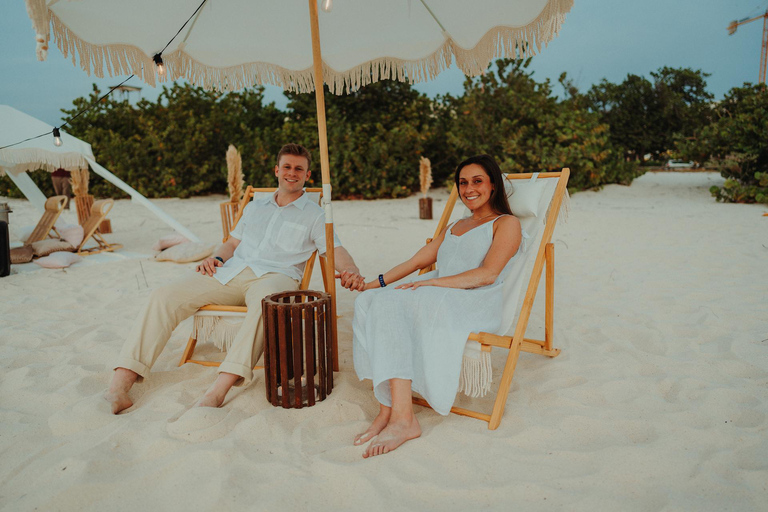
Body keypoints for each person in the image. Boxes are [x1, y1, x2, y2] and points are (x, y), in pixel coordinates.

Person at [105, 144, 365, 414]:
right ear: (277, 170)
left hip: (276, 276)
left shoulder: (315, 215)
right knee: (164, 296)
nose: (292, 173)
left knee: (266, 305)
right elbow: (230, 244)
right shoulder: (255, 207)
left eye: (299, 168)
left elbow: (335, 251)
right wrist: (216, 259)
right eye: (287, 167)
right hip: (232, 272)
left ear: (307, 176)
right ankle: (120, 385)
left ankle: (218, 390)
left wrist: (352, 270)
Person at [352, 154, 523, 458]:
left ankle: (404, 419)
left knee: (392, 304)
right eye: (463, 182)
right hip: (439, 295)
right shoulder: (457, 224)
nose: (469, 188)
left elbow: (488, 274)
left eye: (477, 181)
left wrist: (429, 284)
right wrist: (371, 284)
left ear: (494, 184)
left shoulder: (506, 224)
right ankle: (387, 408)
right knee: (370, 301)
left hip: (472, 301)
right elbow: (418, 260)